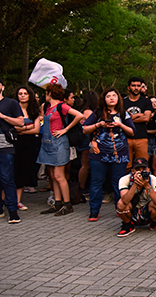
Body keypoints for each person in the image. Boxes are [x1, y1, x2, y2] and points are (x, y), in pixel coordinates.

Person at [82, 88, 136, 222]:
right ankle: (94, 211)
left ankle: (120, 208)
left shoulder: (124, 114)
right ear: (103, 99)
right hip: (98, 154)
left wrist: (120, 124)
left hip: (119, 154)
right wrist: (99, 124)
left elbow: (132, 132)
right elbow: (85, 129)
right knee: (96, 182)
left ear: (118, 98)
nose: (111, 98)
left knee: (119, 182)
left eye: (114, 96)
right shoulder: (98, 113)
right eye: (108, 96)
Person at [37, 83, 85, 216]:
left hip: (59, 142)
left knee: (59, 175)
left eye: (47, 93)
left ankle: (67, 204)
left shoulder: (61, 106)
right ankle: (57, 203)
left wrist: (65, 129)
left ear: (50, 93)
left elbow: (79, 115)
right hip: (48, 142)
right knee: (52, 175)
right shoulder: (46, 107)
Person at [116, 157, 156, 237]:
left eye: (144, 169)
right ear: (132, 171)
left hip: (146, 210)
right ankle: (127, 225)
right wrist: (135, 184)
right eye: (138, 169)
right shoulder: (125, 179)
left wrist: (147, 185)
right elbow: (125, 201)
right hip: (132, 210)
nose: (141, 171)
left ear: (148, 170)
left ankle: (155, 223)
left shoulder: (153, 179)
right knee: (120, 203)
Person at [0, 78, 24, 223]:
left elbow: (20, 122)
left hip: (5, 146)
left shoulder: (11, 103)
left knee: (7, 178)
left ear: (2, 86)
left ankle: (13, 210)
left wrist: (3, 116)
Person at [13, 86, 41, 205]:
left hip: (29, 144)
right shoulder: (13, 109)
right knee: (12, 169)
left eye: (25, 93)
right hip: (14, 142)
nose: (23, 95)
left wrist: (21, 129)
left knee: (23, 170)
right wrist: (27, 127)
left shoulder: (34, 110)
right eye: (20, 93)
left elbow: (36, 130)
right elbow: (12, 128)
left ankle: (18, 200)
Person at [122, 77, 152, 167]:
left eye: (138, 86)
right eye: (133, 85)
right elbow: (121, 120)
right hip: (126, 137)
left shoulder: (146, 101)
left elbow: (146, 118)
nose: (136, 88)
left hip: (141, 137)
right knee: (126, 165)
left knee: (142, 165)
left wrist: (130, 118)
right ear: (128, 87)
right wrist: (140, 115)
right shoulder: (123, 102)